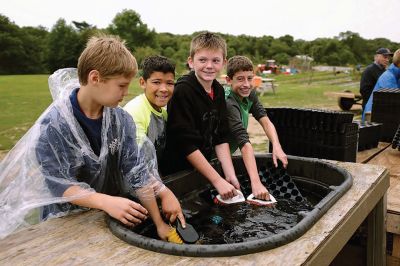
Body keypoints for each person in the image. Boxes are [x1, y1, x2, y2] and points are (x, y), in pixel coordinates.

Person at [0, 35, 184, 243]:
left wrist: (159, 216)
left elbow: (136, 172)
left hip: (106, 218)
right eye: (121, 86)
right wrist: (105, 201)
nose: (126, 93)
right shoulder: (55, 126)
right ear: (95, 78)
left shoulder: (120, 120)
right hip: (64, 225)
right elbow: (58, 184)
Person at [160, 31, 240, 200]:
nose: (209, 66)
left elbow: (221, 137)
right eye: (202, 60)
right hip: (177, 172)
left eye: (215, 60)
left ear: (224, 63)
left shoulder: (218, 90)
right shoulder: (182, 91)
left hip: (202, 168)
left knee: (214, 217)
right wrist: (217, 180)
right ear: (191, 61)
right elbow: (185, 143)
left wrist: (229, 174)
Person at [225, 55, 288, 200]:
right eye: (240, 79)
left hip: (231, 151)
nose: (246, 84)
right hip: (214, 157)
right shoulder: (229, 102)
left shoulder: (250, 94)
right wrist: (256, 183)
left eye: (250, 78)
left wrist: (276, 146)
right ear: (229, 80)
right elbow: (244, 142)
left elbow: (265, 120)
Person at [124, 55, 175, 166]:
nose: (164, 89)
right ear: (143, 83)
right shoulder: (135, 112)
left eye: (170, 83)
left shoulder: (164, 113)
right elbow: (136, 162)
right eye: (156, 82)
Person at [363, 48, 400, 119]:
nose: (387, 59)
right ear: (376, 56)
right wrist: (373, 100)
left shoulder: (387, 71)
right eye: (385, 57)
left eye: (388, 58)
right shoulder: (369, 70)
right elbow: (364, 90)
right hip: (373, 112)